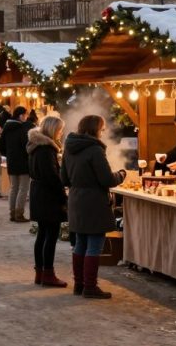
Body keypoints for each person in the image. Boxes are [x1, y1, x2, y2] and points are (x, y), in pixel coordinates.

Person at [61, 115, 126, 299]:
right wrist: (121, 175)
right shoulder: (95, 150)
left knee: (80, 243)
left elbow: (64, 178)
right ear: (95, 129)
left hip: (75, 200)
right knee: (94, 245)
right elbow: (107, 179)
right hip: (94, 202)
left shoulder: (69, 147)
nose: (103, 132)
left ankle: (79, 285)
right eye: (102, 128)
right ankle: (90, 286)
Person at [28, 116, 68, 288]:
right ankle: (48, 274)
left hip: (39, 193)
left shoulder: (35, 146)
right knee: (50, 235)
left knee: (42, 234)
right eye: (59, 130)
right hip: (47, 196)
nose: (61, 133)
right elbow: (52, 177)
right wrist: (63, 198)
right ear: (53, 130)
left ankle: (40, 273)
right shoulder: (46, 149)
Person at [1, 106, 36, 223]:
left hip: (11, 161)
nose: (26, 117)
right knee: (23, 188)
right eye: (25, 115)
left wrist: (9, 154)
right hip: (23, 162)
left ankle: (12, 213)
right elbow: (25, 146)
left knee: (13, 188)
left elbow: (1, 145)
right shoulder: (22, 128)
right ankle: (19, 214)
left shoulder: (6, 127)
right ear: (21, 115)